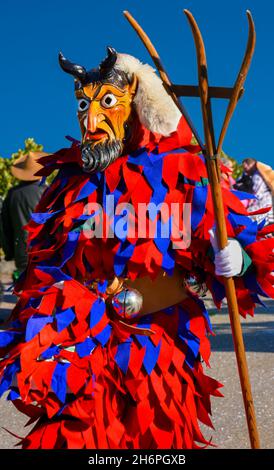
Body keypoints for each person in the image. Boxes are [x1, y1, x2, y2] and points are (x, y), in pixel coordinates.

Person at [0, 48, 274, 449]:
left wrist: (237, 256)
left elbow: (236, 246)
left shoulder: (186, 171)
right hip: (87, 341)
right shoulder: (66, 183)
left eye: (106, 103)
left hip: (162, 340)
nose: (90, 121)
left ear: (137, 105)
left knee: (158, 442)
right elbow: (42, 264)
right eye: (83, 105)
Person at [0, 151, 47, 280]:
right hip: (45, 252)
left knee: (24, 295)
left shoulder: (12, 195)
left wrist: (9, 253)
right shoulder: (46, 192)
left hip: (21, 253)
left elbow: (5, 227)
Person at [241, 157, 274, 226]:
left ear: (250, 164)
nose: (245, 170)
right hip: (267, 202)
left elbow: (257, 191)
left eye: (245, 167)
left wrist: (251, 201)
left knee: (248, 217)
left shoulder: (257, 175)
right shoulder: (258, 174)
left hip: (262, 201)